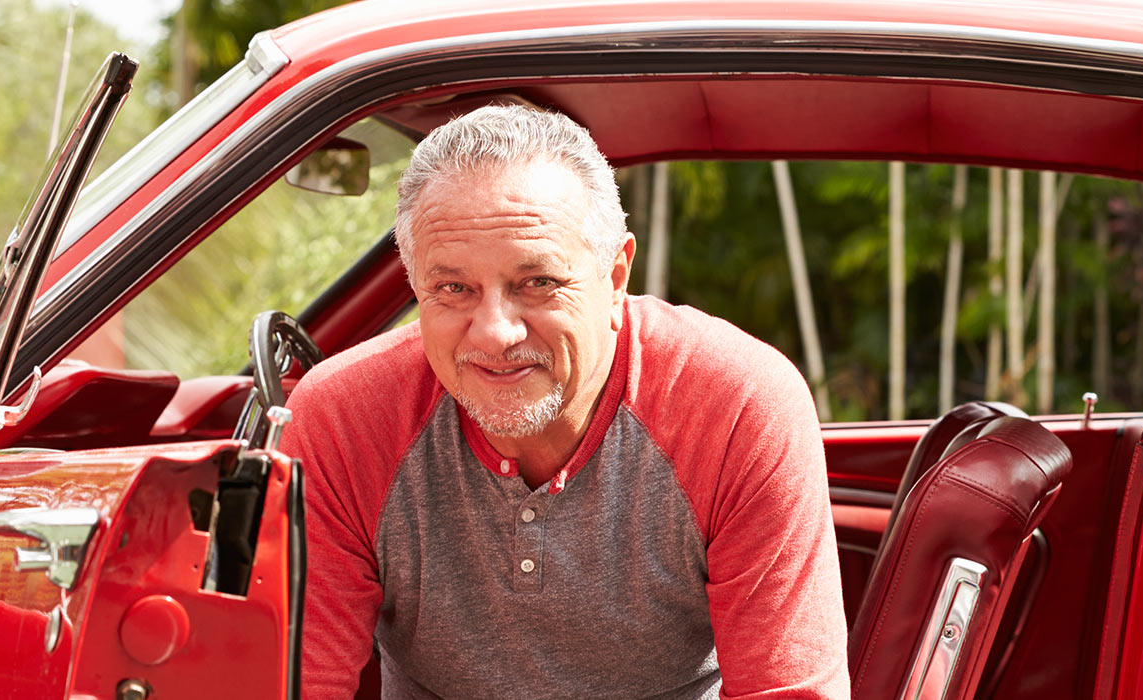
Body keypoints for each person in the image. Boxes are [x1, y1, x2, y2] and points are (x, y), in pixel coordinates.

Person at [282, 105, 849, 700]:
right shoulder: (341, 420)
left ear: (616, 277)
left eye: (538, 282)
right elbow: (293, 685)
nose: (495, 333)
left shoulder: (736, 407)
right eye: (453, 288)